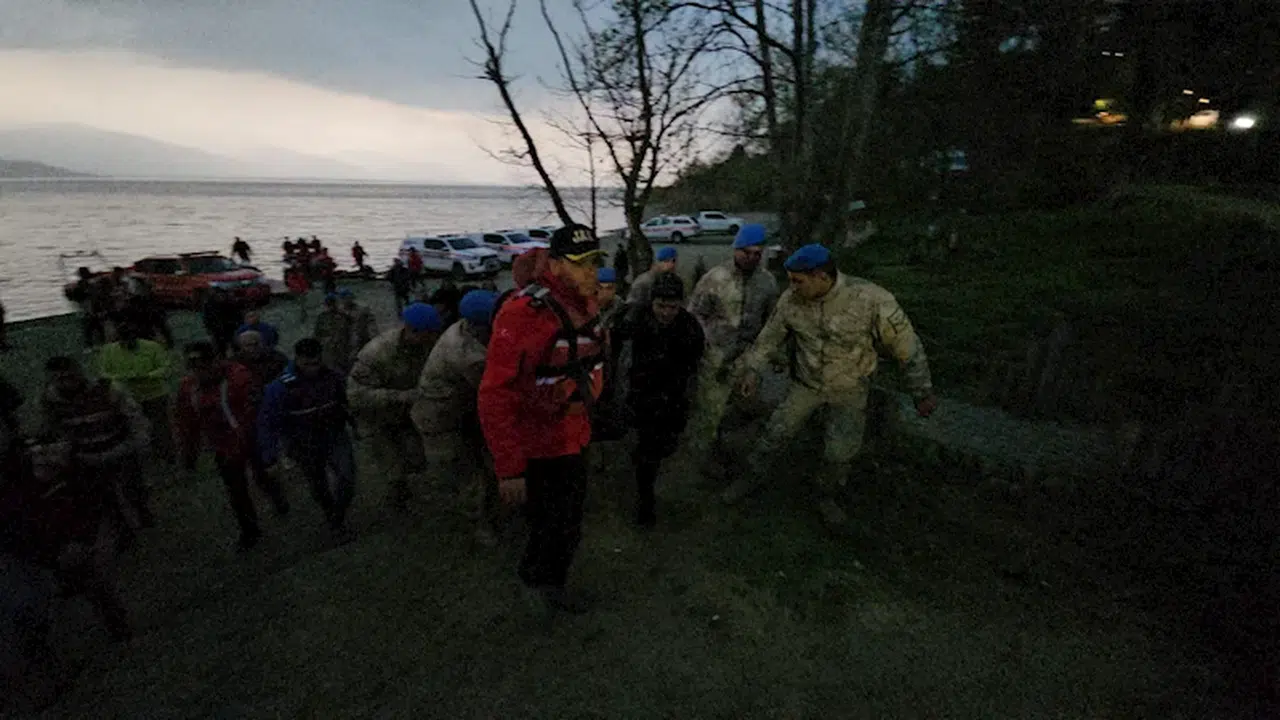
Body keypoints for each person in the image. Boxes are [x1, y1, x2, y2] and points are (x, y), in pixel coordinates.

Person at [725, 244, 939, 527]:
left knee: (840, 452)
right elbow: (768, 340)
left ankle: (826, 495)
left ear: (821, 277)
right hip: (806, 385)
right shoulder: (791, 300)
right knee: (776, 432)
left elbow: (908, 348)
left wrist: (922, 391)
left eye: (798, 281)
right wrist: (751, 371)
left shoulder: (871, 299)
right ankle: (751, 476)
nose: (792, 287)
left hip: (850, 389)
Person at [479, 223, 606, 616]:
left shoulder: (586, 303)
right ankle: (536, 584)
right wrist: (509, 469)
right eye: (580, 263)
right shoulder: (522, 315)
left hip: (574, 435)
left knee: (569, 523)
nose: (591, 271)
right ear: (554, 264)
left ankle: (551, 583)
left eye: (595, 261)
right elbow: (495, 395)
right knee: (549, 524)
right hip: (539, 445)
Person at [685, 223, 780, 474]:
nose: (752, 257)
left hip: (747, 357)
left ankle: (729, 444)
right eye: (746, 252)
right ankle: (704, 457)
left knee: (747, 405)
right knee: (709, 410)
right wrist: (703, 344)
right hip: (715, 355)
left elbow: (771, 322)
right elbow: (694, 315)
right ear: (736, 249)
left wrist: (768, 354)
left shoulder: (767, 282)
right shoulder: (715, 278)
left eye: (757, 253)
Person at [176, 342, 288, 550]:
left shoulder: (238, 376)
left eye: (203, 366)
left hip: (250, 437)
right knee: (236, 490)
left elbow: (254, 409)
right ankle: (249, 530)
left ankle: (277, 496)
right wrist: (189, 455)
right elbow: (188, 424)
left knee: (263, 475)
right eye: (194, 367)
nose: (200, 372)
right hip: (223, 445)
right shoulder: (189, 389)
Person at [613, 272, 704, 527]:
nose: (666, 312)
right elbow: (617, 346)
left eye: (672, 307)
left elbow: (693, 367)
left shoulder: (689, 328)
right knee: (647, 453)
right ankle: (646, 501)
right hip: (642, 396)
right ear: (652, 302)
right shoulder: (636, 318)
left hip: (672, 398)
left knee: (664, 447)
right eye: (661, 306)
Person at [411, 290, 499, 544]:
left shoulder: (463, 328)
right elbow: (492, 392)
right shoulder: (467, 354)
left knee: (481, 462)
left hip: (461, 409)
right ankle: (479, 524)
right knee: (466, 473)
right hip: (442, 419)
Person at [39, 356, 153, 543]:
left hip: (120, 449)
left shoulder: (107, 389)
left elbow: (133, 416)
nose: (67, 382)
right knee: (106, 498)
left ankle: (142, 512)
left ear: (79, 372)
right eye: (60, 379)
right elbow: (53, 427)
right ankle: (123, 532)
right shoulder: (50, 400)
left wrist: (139, 442)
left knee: (133, 488)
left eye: (70, 376)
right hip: (87, 457)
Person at [259, 338, 357, 539]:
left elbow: (348, 401)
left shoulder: (334, 377)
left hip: (334, 434)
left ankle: (337, 517)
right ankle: (331, 516)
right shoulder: (280, 388)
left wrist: (356, 425)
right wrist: (270, 457)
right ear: (297, 360)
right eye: (307, 364)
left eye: (316, 363)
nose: (312, 369)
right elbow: (267, 423)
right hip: (302, 442)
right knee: (318, 483)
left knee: (347, 476)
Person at [347, 303, 442, 509]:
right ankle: (397, 497)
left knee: (418, 458)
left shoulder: (426, 346)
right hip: (376, 418)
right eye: (428, 335)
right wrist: (402, 396)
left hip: (406, 416)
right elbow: (356, 395)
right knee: (392, 466)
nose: (432, 340)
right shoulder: (377, 352)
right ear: (411, 331)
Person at [95, 320, 176, 466]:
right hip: (127, 397)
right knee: (132, 428)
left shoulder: (152, 347)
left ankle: (167, 456)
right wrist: (122, 377)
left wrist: (147, 376)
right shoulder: (108, 351)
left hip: (154, 394)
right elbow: (104, 373)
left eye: (130, 339)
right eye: (123, 340)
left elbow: (165, 368)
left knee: (161, 427)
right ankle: (142, 457)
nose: (127, 343)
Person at [626, 246, 681, 320]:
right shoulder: (644, 282)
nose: (672, 265)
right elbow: (631, 308)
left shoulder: (675, 280)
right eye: (666, 261)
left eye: (674, 261)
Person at [314, 293, 355, 373]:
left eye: (332, 303)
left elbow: (351, 334)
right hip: (328, 352)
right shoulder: (322, 317)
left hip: (342, 351)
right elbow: (317, 335)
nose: (331, 307)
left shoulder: (345, 317)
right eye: (329, 304)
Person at [202, 287, 242, 358]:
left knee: (232, 345)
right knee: (216, 346)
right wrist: (210, 329)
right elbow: (207, 319)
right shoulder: (209, 305)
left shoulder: (231, 304)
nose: (221, 297)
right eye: (218, 295)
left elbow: (238, 317)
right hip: (215, 330)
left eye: (222, 295)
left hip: (230, 329)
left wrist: (234, 326)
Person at [339, 287, 379, 353]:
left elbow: (371, 322)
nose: (347, 300)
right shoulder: (340, 311)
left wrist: (374, 336)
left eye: (349, 297)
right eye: (344, 298)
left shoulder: (362, 309)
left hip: (362, 339)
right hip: (347, 342)